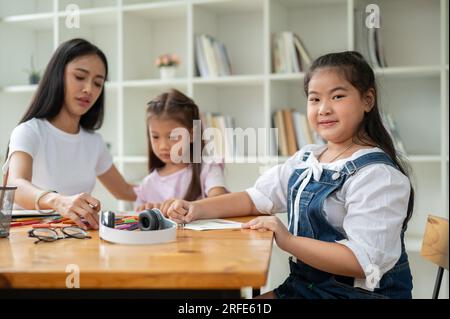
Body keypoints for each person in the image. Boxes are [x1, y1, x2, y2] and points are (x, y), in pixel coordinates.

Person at [165, 51, 414, 299]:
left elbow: (362, 261)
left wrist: (288, 240)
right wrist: (196, 208)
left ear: (368, 100)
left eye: (337, 96)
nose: (324, 109)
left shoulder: (378, 176)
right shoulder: (307, 159)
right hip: (306, 288)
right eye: (314, 99)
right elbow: (256, 198)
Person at [2, 38, 136, 230]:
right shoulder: (30, 131)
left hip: (73, 237)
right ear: (58, 76)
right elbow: (15, 185)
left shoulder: (93, 142)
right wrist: (57, 201)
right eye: (80, 77)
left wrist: (174, 193)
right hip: (27, 237)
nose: (89, 89)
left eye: (98, 83)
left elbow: (125, 191)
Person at [134, 89, 228, 215]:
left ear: (192, 134)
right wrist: (148, 211)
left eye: (173, 137)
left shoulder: (208, 168)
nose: (163, 146)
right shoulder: (148, 184)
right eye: (155, 137)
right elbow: (137, 219)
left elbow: (221, 203)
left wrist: (186, 207)